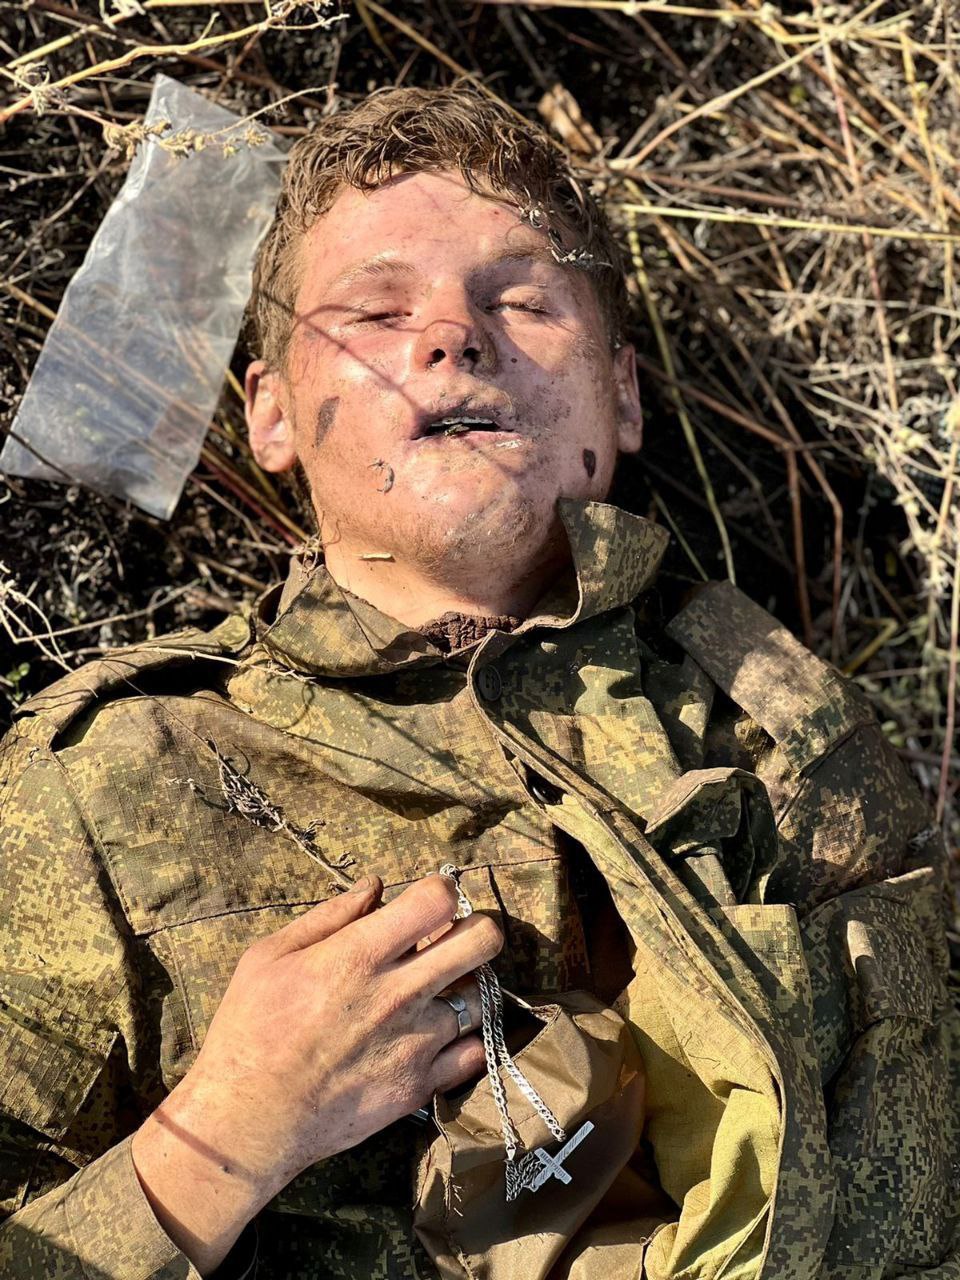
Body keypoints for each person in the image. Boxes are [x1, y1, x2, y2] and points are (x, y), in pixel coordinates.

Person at [0, 84, 957, 1280]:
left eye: (523, 300)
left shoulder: (786, 730)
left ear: (622, 395)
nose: (455, 337)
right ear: (271, 413)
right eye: (377, 309)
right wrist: (225, 1136)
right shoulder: (104, 783)